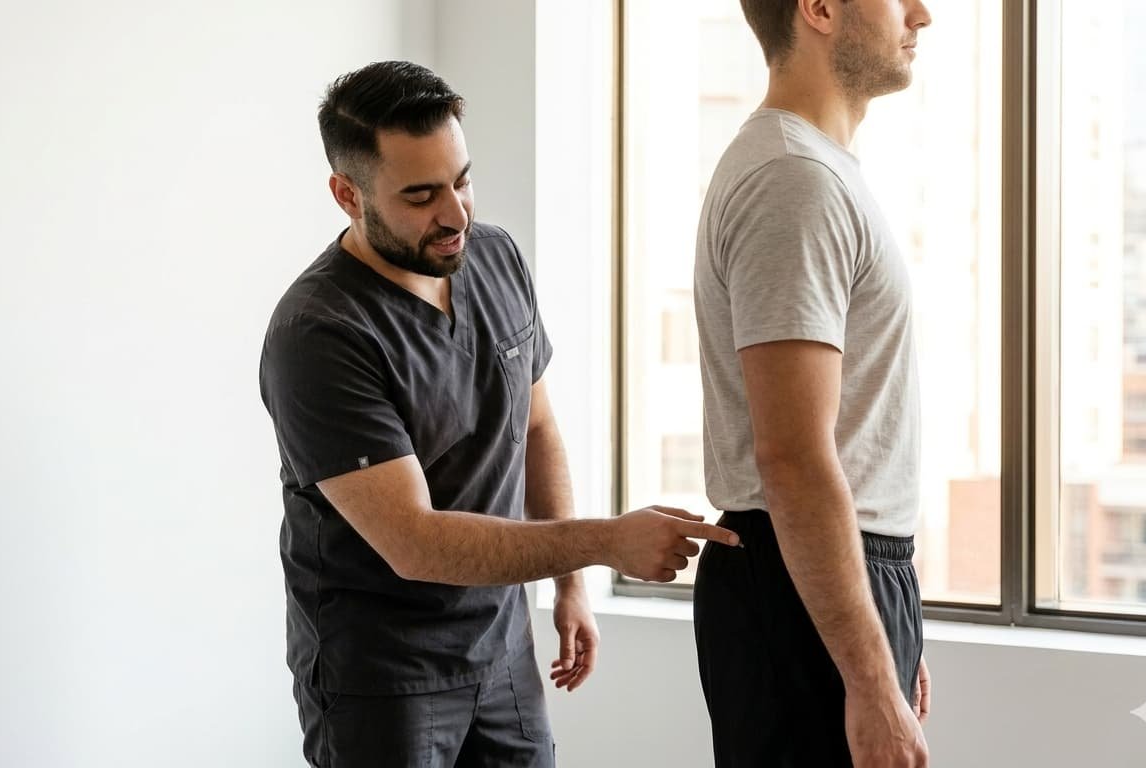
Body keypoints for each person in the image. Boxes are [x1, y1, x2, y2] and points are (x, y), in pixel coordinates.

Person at [259, 60, 740, 768]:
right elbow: (415, 543)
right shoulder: (320, 334)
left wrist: (570, 586)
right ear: (346, 194)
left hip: (501, 647)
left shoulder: (494, 258)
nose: (454, 215)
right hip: (383, 677)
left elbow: (535, 428)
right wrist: (605, 543)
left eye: (461, 181)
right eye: (421, 195)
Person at [691, 1, 934, 766]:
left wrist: (879, 627)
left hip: (821, 573)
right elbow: (793, 455)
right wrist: (868, 677)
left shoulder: (814, 170)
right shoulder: (794, 180)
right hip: (790, 580)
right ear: (821, 9)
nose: (922, 14)